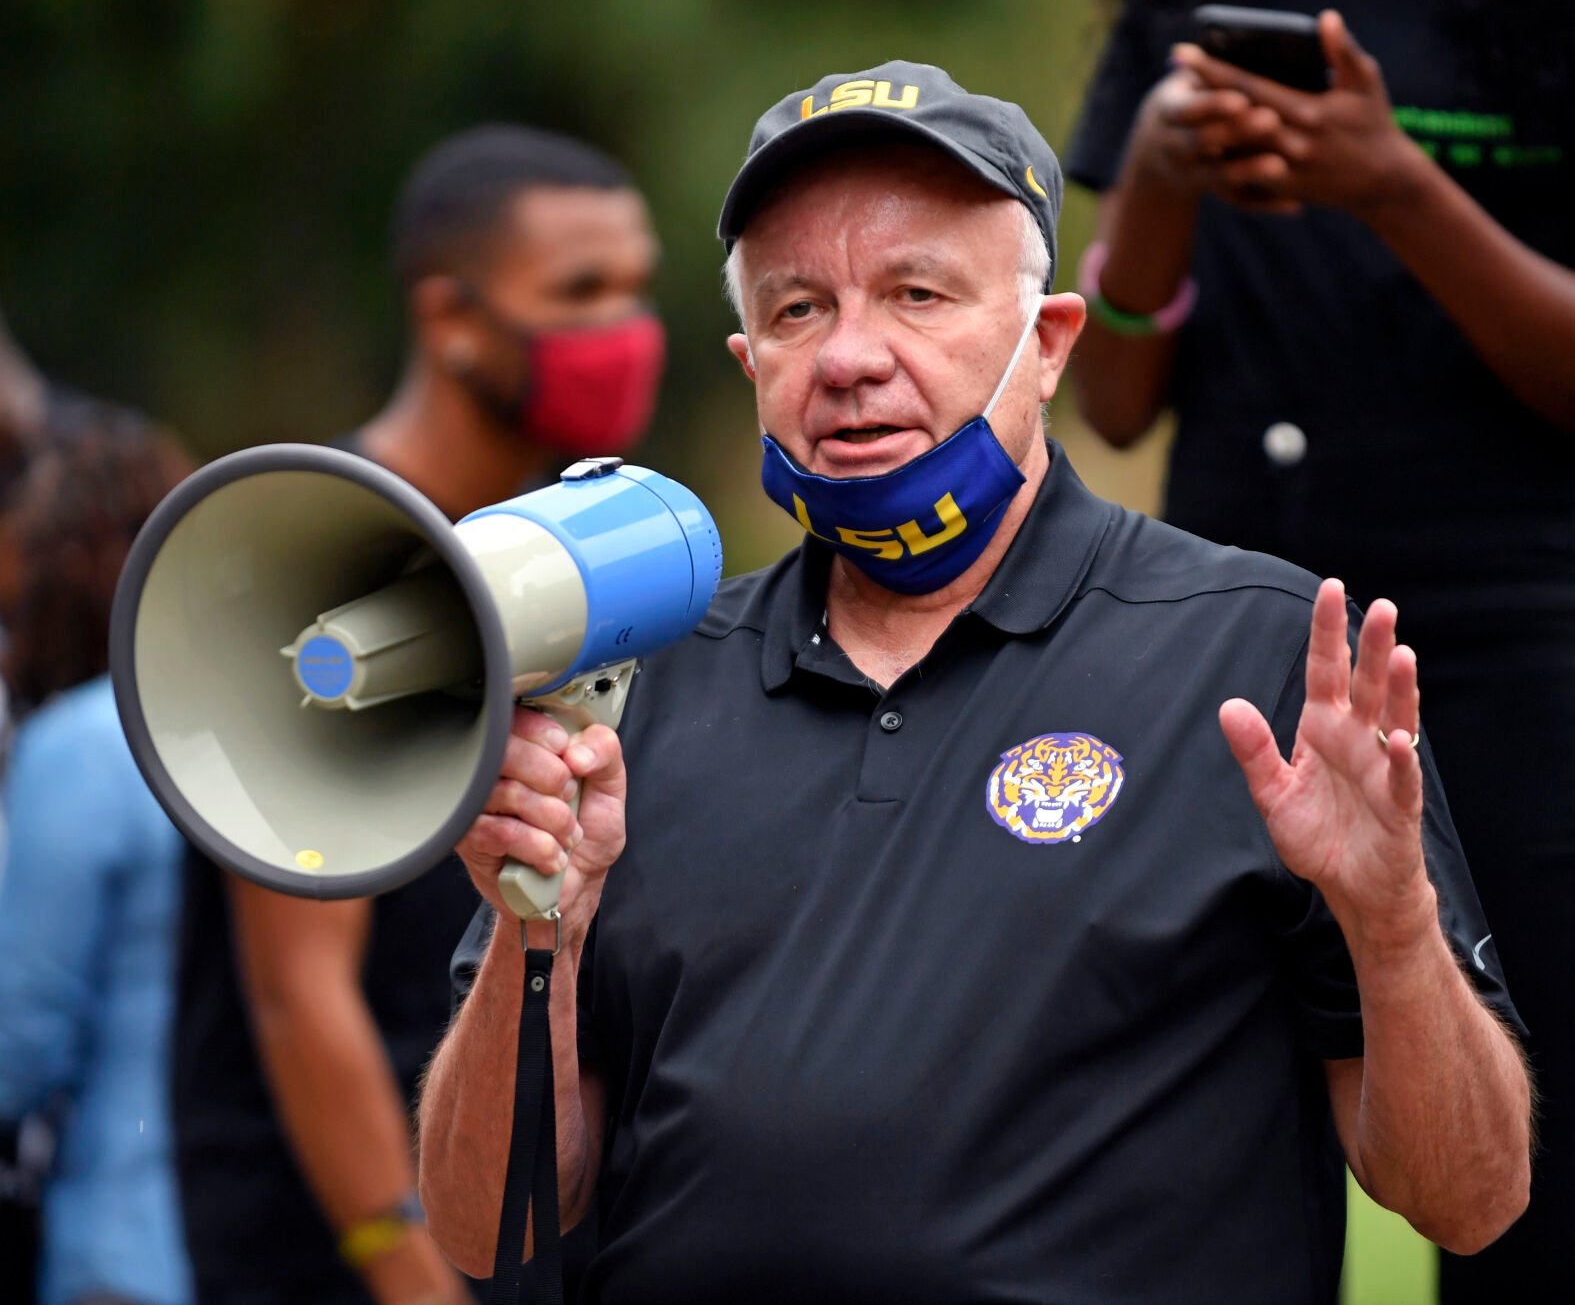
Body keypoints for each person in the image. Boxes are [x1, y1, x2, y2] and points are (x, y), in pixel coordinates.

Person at [415, 63, 1532, 1302]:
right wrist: (543, 933)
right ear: (750, 362)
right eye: (797, 310)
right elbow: (487, 1230)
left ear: (1050, 342)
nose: (849, 357)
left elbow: (1470, 1201)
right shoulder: (642, 688)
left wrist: (1392, 924)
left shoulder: (1262, 656)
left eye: (917, 294)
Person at [1061, 0, 1575, 1298]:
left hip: (1516, 654)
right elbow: (1111, 404)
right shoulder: (1180, 9)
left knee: (1529, 1146)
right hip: (1236, 647)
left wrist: (1393, 187)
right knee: (1200, 1106)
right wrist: (1162, 184)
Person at [173, 124, 663, 1303]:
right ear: (451, 318)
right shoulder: (320, 555)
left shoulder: (579, 550)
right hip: (340, 1248)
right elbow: (300, 992)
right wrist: (407, 1265)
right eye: (580, 292)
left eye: (639, 287)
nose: (626, 329)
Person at [0, 417, 195, 1305]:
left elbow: (19, 1040)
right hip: (267, 1235)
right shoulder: (256, 738)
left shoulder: (79, 746)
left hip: (123, 1247)